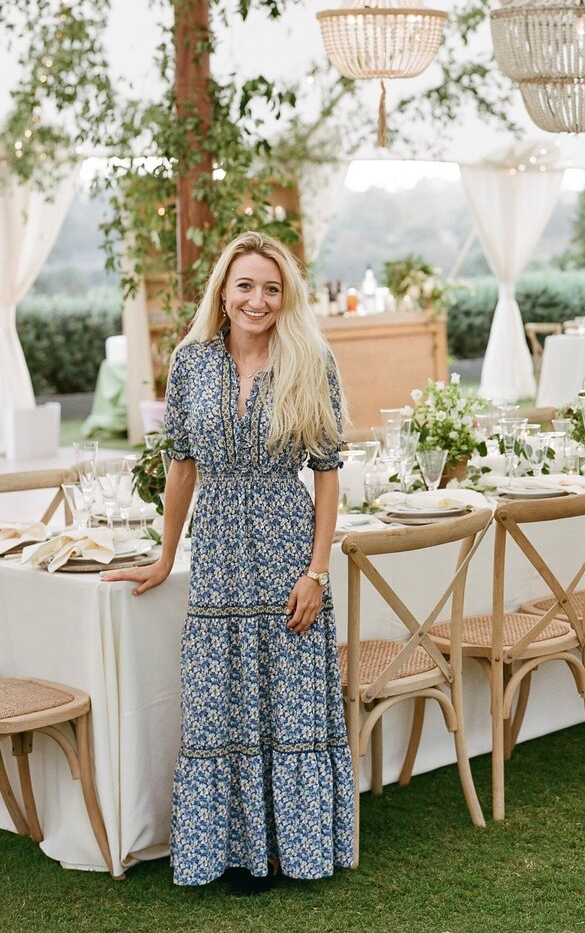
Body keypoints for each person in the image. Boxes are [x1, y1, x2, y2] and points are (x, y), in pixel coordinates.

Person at [104, 231, 354, 891]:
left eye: (271, 288)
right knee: (223, 696)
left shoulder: (311, 360)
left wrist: (316, 572)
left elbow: (327, 474)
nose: (258, 299)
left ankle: (289, 849)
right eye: (245, 285)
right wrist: (164, 558)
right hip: (217, 554)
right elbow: (181, 469)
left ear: (286, 296)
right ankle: (234, 850)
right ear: (223, 290)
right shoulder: (191, 363)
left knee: (291, 699)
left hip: (286, 548)